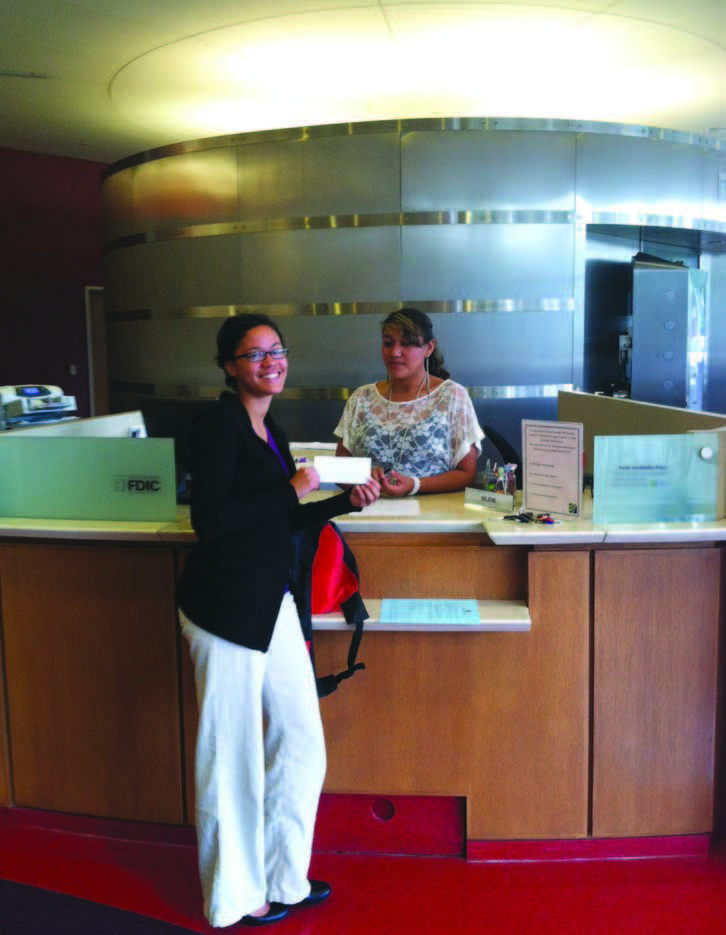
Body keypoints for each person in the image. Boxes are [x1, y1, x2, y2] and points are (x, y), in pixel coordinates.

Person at [175, 313, 380, 928]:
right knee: (230, 753)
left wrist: (345, 501)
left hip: (274, 602)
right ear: (230, 366)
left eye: (278, 351)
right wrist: (291, 487)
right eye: (255, 354)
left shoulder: (271, 429)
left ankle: (284, 875)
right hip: (226, 609)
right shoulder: (216, 427)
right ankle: (235, 897)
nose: (271, 362)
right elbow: (210, 522)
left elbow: (278, 519)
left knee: (301, 741)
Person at [334, 307, 484, 496]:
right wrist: (364, 478)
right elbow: (339, 470)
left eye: (407, 344)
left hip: (436, 518)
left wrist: (414, 485)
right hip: (369, 516)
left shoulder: (452, 397)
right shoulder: (361, 398)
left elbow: (467, 474)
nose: (395, 352)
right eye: (388, 343)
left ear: (428, 348)